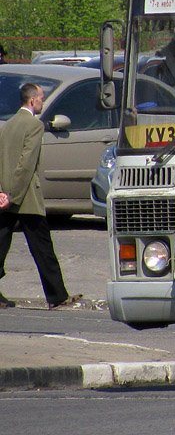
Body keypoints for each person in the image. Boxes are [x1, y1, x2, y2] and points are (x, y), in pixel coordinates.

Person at [0, 83, 81, 309]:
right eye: (42, 98)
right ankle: (57, 296)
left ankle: (57, 296)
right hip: (24, 197)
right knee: (43, 248)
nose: (43, 102)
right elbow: (26, 163)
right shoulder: (34, 126)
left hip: (5, 196)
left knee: (1, 244)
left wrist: (2, 193)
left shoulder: (7, 126)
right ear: (33, 101)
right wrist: (13, 194)